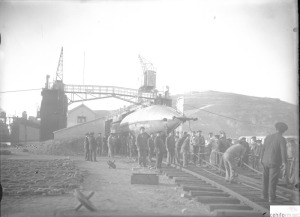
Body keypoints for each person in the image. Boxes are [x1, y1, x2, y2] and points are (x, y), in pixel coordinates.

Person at [260, 122, 288, 203]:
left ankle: (263, 195)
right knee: (272, 180)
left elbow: (263, 148)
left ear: (276, 129)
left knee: (265, 179)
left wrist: (261, 158)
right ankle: (271, 198)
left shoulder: (268, 137)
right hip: (274, 162)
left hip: (265, 161)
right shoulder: (282, 139)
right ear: (284, 131)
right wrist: (285, 163)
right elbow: (283, 152)